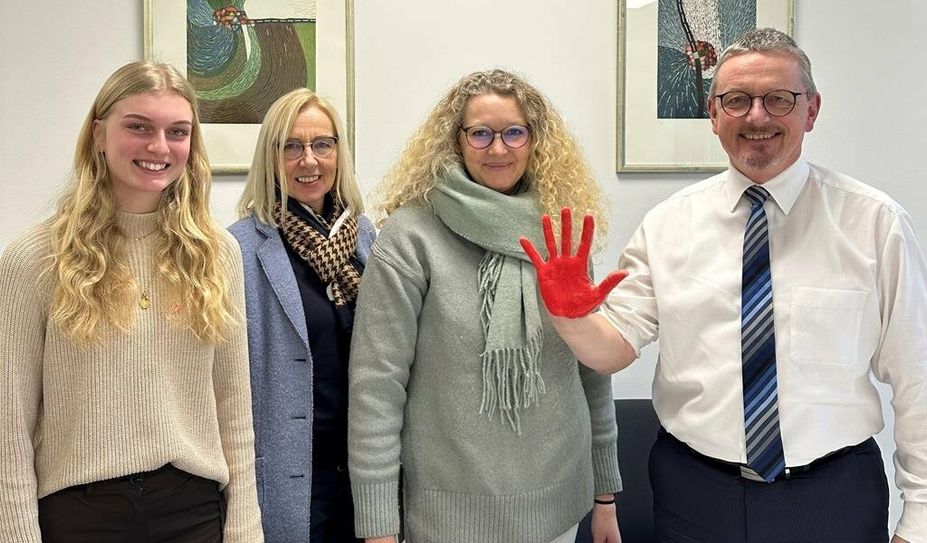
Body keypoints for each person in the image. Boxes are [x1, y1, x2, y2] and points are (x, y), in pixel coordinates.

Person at [524, 28, 926, 543]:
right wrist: (570, 317)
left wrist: (919, 520)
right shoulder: (668, 225)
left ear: (812, 110)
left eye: (778, 98)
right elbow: (613, 349)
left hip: (833, 496)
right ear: (713, 115)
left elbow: (917, 378)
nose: (756, 117)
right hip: (696, 495)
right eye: (736, 100)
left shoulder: (875, 224)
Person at [348, 69, 623, 543]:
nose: (498, 149)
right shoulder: (411, 236)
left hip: (560, 505)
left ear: (535, 139)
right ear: (456, 140)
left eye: (514, 132)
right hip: (446, 517)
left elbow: (592, 373)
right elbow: (376, 387)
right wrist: (378, 526)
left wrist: (605, 496)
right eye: (480, 134)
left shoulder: (561, 232)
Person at [0, 60, 262, 542]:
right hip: (79, 516)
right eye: (138, 127)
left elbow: (234, 406)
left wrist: (246, 529)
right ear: (99, 134)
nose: (159, 147)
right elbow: (9, 424)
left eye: (177, 132)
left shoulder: (217, 254)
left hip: (192, 512)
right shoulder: (32, 260)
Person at [229, 87, 376, 543]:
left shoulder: (366, 240)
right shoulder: (239, 249)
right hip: (291, 475)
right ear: (269, 157)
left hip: (365, 473)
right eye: (290, 146)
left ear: (338, 152)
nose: (308, 160)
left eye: (321, 144)